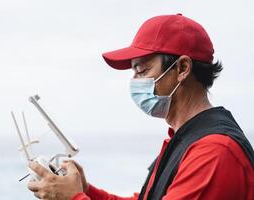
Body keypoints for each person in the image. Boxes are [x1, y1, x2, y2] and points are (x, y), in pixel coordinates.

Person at [27, 14, 254, 200]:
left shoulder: (214, 151)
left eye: (142, 71)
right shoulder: (186, 140)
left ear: (182, 68)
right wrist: (86, 191)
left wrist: (73, 198)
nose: (135, 81)